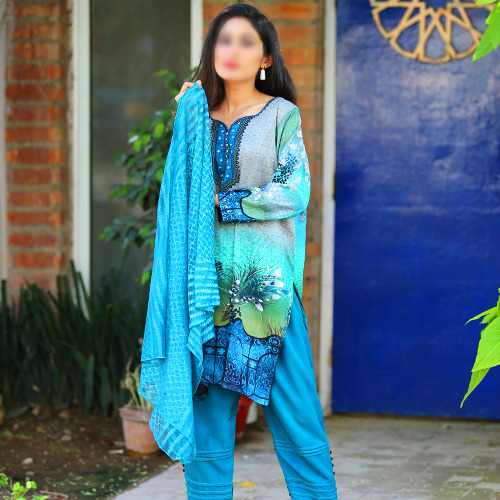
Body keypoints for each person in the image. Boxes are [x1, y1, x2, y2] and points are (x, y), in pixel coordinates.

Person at [174, 4, 338, 499]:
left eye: (246, 42)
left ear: (265, 57)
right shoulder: (196, 115)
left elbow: (295, 190)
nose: (233, 50)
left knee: (297, 415)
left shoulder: (282, 114)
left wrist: (224, 203)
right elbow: (179, 194)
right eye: (224, 40)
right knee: (207, 424)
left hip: (267, 291)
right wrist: (185, 116)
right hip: (206, 287)